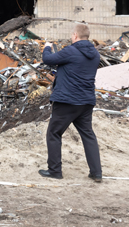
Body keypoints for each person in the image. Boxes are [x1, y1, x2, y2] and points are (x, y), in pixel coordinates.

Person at [38, 23, 102, 182]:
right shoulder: (95, 54)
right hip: (86, 102)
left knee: (54, 133)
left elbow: (47, 59)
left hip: (67, 101)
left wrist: (47, 47)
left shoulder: (70, 51)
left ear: (75, 35)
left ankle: (55, 171)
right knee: (88, 135)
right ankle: (96, 172)